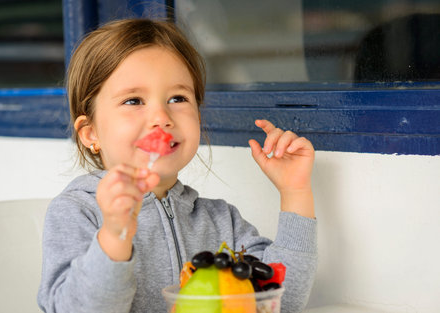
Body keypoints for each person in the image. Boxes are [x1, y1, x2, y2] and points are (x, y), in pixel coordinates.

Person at [37, 18, 317, 313]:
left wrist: (295, 192)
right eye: (133, 101)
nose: (161, 116)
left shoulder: (222, 221)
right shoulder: (77, 212)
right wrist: (114, 236)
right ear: (90, 133)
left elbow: (279, 302)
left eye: (177, 98)